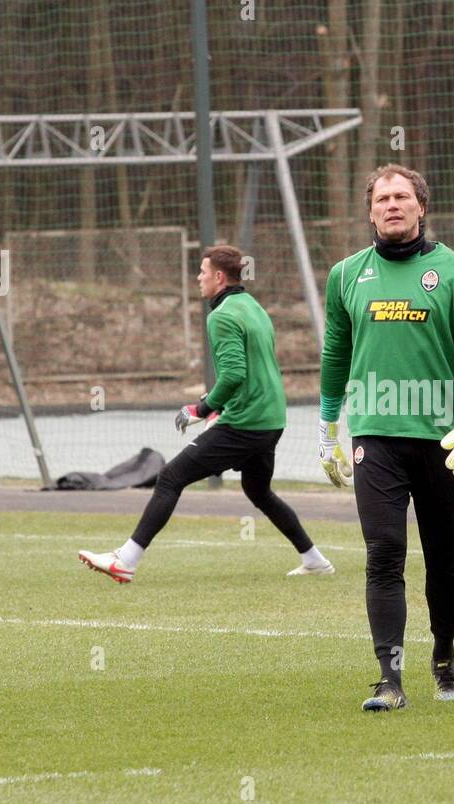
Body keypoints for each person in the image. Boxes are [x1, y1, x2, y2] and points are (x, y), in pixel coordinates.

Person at [317, 164, 454, 711]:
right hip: (377, 437)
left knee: (444, 559)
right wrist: (328, 428)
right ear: (369, 211)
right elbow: (334, 354)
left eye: (402, 196)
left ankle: (443, 656)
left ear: (421, 206)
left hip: (443, 441)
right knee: (384, 554)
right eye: (382, 198)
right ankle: (390, 680)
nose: (392, 205)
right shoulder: (345, 275)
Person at [79, 244, 333, 583]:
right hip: (271, 419)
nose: (198, 278)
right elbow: (254, 371)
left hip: (247, 422)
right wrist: (217, 405)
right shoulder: (252, 306)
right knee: (258, 491)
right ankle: (314, 559)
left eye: (202, 272)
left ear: (218, 276)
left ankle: (126, 559)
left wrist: (202, 408)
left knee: (170, 478)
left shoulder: (222, 315)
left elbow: (233, 375)